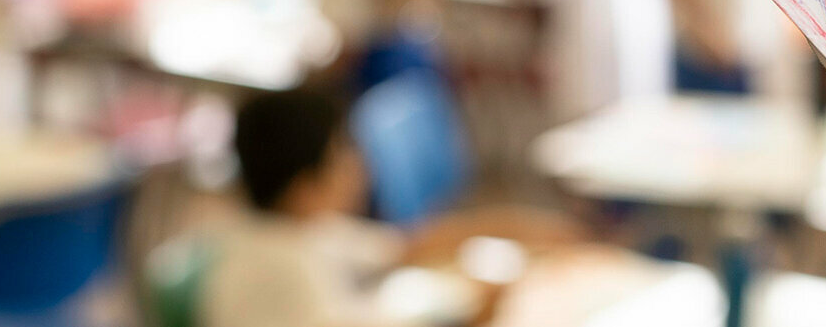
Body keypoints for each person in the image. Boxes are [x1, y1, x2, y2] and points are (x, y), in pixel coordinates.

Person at [202, 88, 578, 327]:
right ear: (305, 187)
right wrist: (472, 301)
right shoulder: (279, 267)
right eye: (343, 153)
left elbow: (406, 246)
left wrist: (532, 232)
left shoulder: (301, 229)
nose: (360, 166)